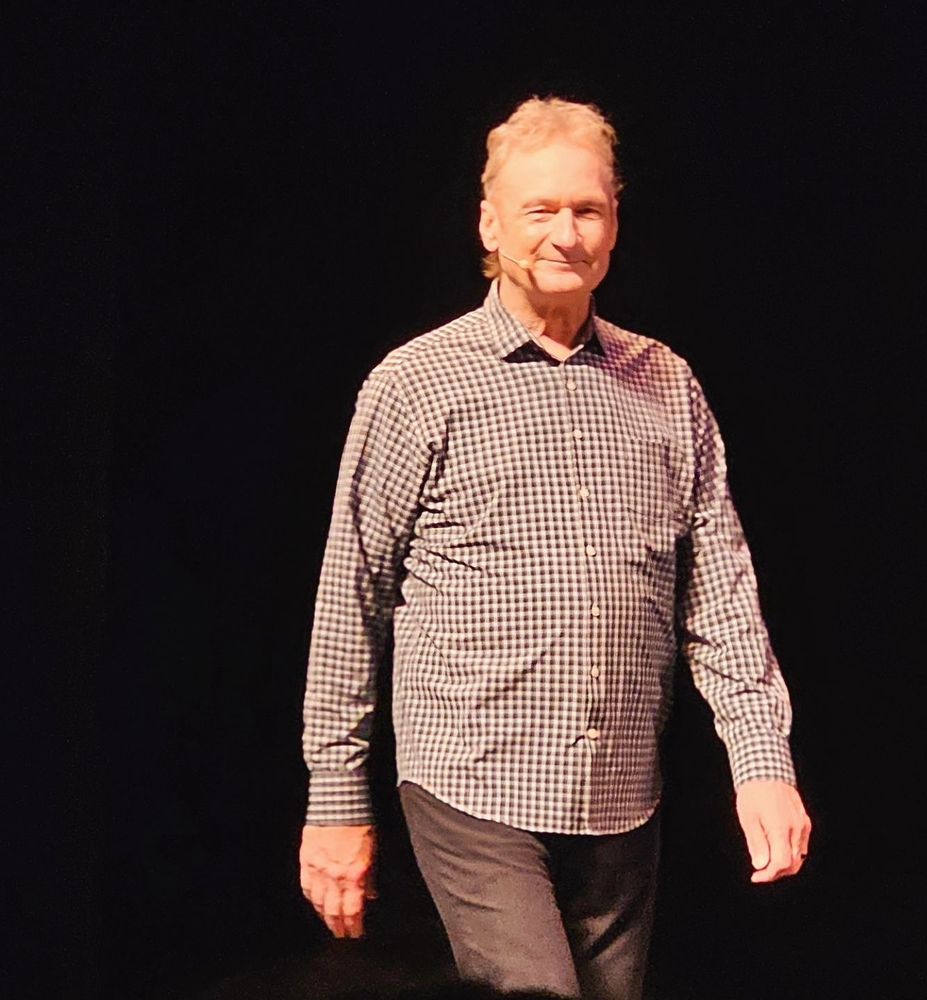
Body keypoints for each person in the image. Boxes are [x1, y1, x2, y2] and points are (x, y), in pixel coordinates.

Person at [299, 97, 811, 1000]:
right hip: (472, 777)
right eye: (540, 210)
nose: (566, 234)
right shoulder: (420, 383)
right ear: (491, 223)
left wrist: (761, 761)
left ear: (615, 221)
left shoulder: (666, 384)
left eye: (588, 209)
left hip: (620, 792)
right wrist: (336, 802)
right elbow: (354, 595)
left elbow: (720, 594)